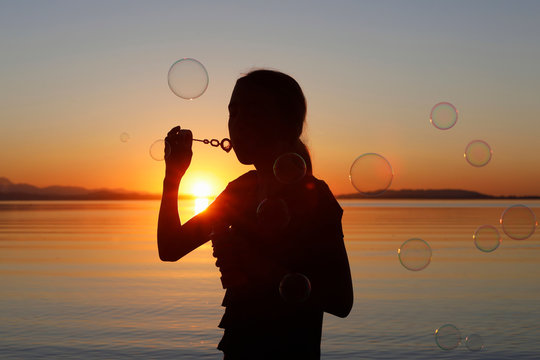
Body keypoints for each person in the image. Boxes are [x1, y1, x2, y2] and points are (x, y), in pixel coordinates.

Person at [158, 69, 353, 359]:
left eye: (249, 112)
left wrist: (264, 269)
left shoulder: (313, 196)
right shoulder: (239, 191)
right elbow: (171, 248)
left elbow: (341, 300)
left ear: (284, 124)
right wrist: (173, 176)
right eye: (232, 113)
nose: (235, 124)